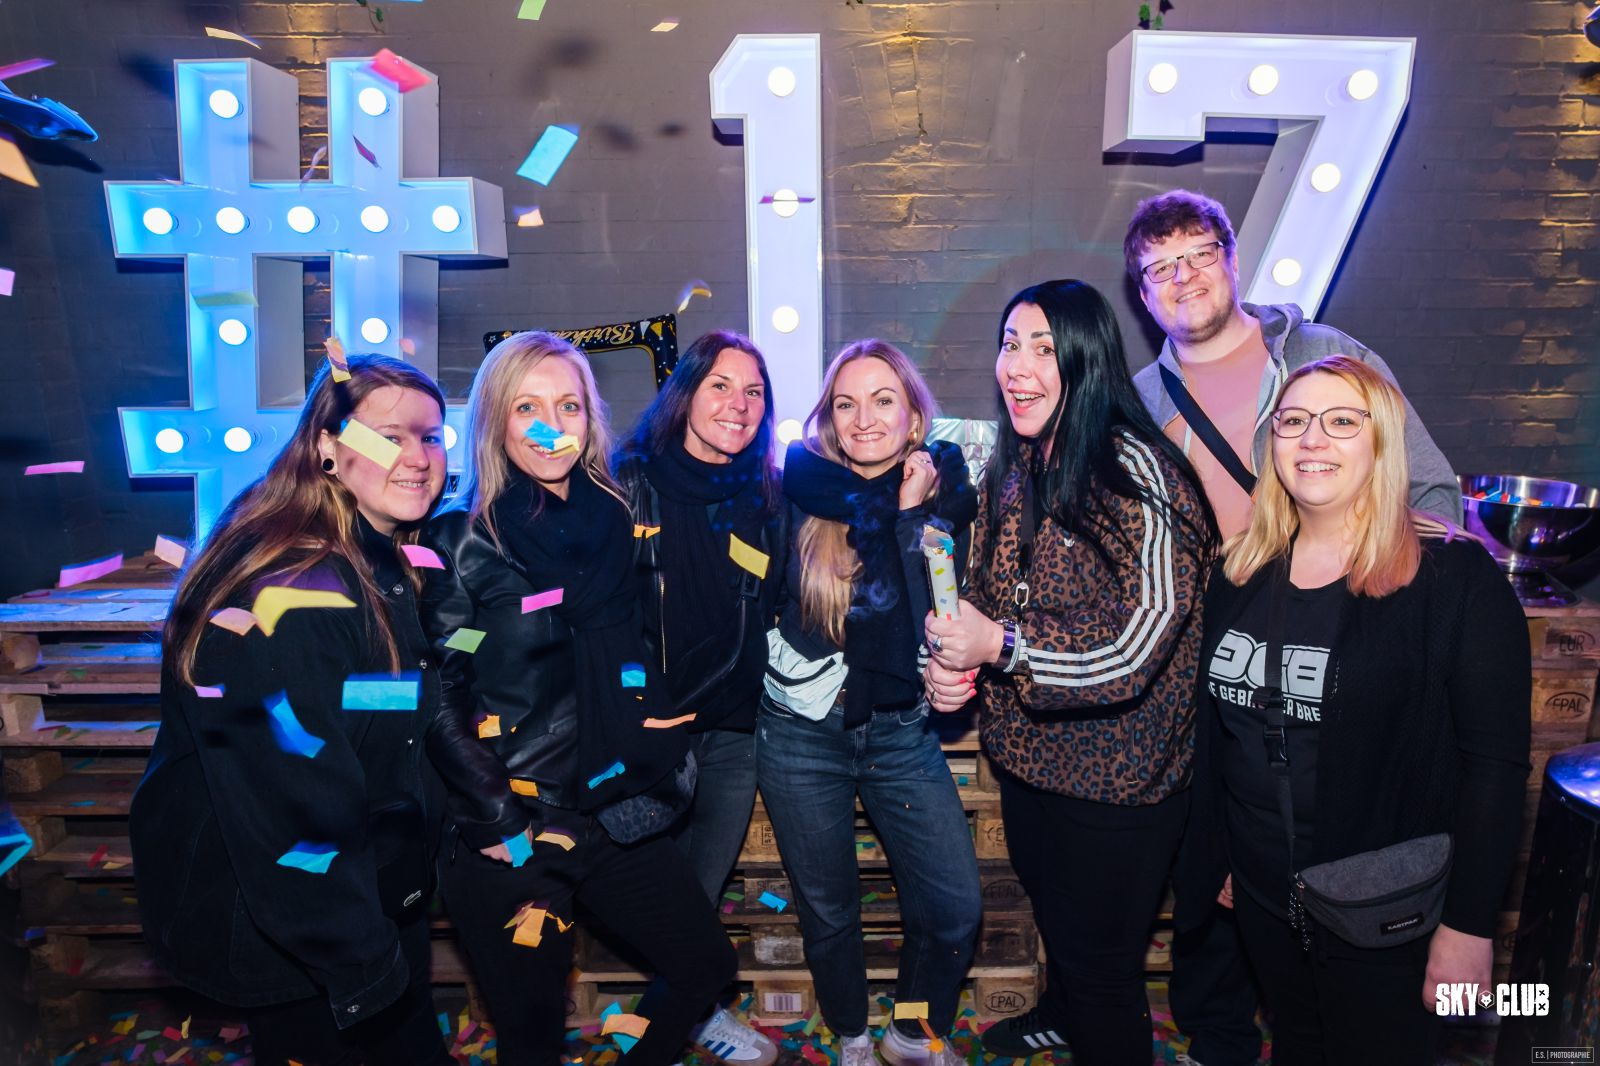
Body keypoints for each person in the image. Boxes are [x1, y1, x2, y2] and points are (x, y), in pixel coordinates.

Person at [1124, 189, 1463, 1066]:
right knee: (1227, 837)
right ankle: (1224, 1034)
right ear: (1143, 293)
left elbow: (1429, 489)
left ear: (1233, 259)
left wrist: (1389, 607)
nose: (1183, 277)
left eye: (1198, 254)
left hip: (1346, 627)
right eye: (1160, 268)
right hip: (1222, 644)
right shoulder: (1143, 397)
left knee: (1350, 838)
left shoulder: (1323, 354)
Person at [1182, 354, 1529, 1063]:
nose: (1312, 439)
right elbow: (1224, 736)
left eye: (1342, 421)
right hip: (1263, 891)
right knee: (1298, 1043)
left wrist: (1469, 928)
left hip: (1386, 908)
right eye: (1293, 421)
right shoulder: (1240, 570)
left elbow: (1495, 771)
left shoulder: (1455, 578)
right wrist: (1226, 854)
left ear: (1383, 441)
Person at [419, 331, 734, 1066]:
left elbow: (631, 644)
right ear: (495, 420)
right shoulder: (461, 540)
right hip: (516, 830)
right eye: (527, 407)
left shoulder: (614, 518)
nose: (550, 426)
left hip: (613, 808)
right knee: (533, 1040)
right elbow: (441, 692)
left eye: (568, 406)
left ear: (590, 420)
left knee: (705, 965)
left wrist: (653, 717)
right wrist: (496, 815)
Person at [924, 280, 1218, 1066]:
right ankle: (1059, 1014)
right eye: (1010, 344)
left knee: (1103, 970)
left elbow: (1137, 643)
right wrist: (950, 664)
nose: (1017, 366)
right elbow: (986, 596)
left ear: (1087, 361)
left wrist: (1001, 647)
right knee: (1061, 926)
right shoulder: (1018, 463)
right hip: (1030, 762)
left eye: (1044, 349)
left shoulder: (1137, 472)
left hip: (1120, 783)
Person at [131, 354, 452, 1066]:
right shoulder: (289, 596)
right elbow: (291, 813)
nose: (418, 457)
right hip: (305, 928)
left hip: (358, 899)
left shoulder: (374, 555)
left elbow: (378, 717)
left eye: (430, 436)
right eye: (389, 436)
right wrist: (364, 967)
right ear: (327, 447)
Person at [758, 339, 981, 1066]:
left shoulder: (947, 497)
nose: (863, 419)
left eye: (883, 400)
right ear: (827, 418)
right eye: (845, 404)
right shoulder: (796, 493)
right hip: (801, 733)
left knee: (952, 908)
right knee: (830, 911)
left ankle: (910, 1030)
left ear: (914, 416)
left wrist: (910, 516)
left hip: (899, 732)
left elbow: (938, 611)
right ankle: (852, 1032)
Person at [612, 329, 785, 1066]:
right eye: (720, 385)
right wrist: (631, 709)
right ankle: (679, 1017)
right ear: (684, 393)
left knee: (698, 892)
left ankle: (682, 1016)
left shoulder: (768, 494)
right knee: (660, 901)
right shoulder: (625, 482)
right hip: (648, 731)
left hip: (732, 729)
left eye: (754, 392)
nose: (738, 404)